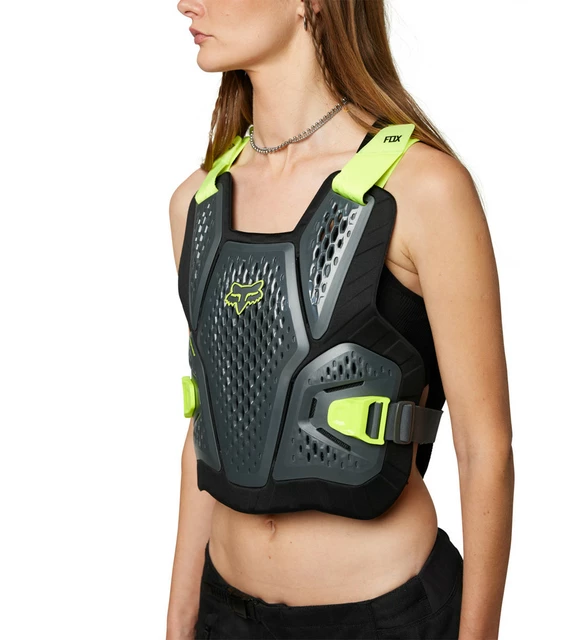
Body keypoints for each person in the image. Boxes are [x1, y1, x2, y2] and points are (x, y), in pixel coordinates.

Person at [167, 1, 514, 639]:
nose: (186, 2)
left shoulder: (424, 188)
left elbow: (484, 449)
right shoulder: (197, 201)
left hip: (383, 618)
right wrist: (179, 619)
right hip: (225, 613)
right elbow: (209, 423)